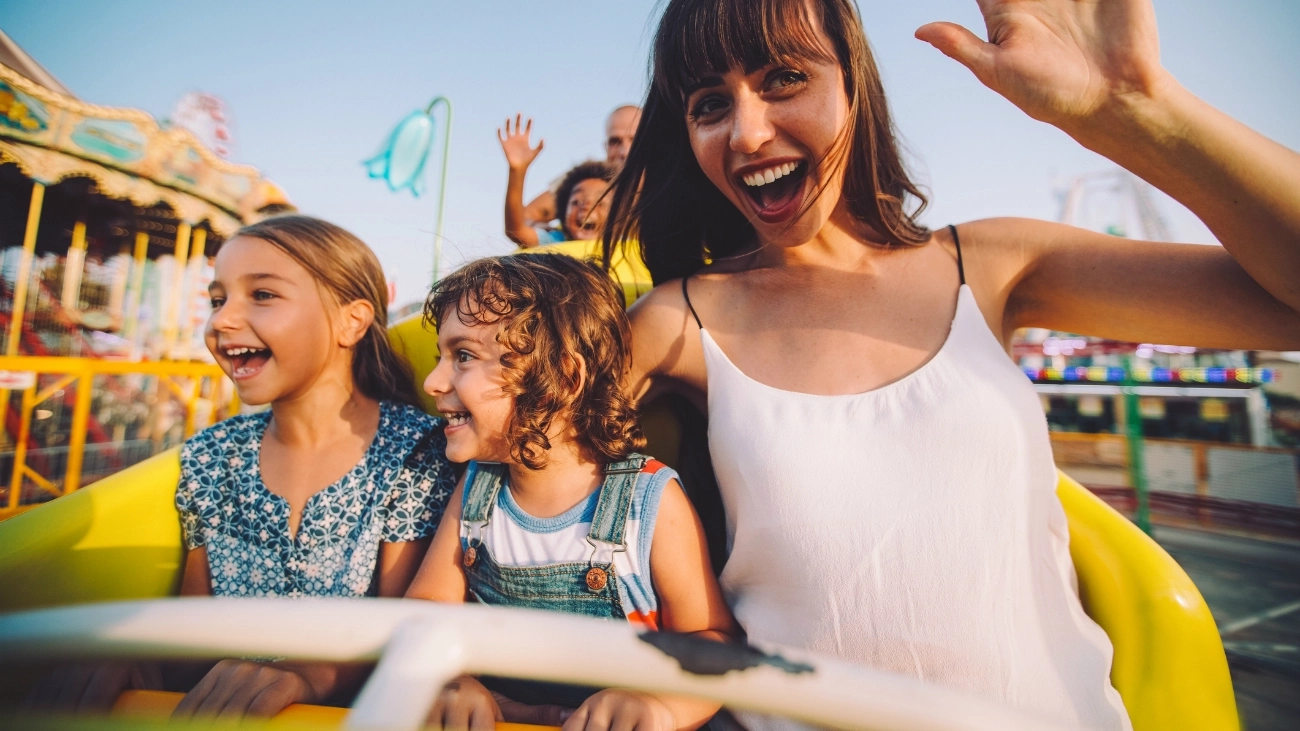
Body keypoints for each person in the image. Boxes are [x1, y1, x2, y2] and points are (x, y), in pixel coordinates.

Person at [602, 1, 1300, 730]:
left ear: (853, 85)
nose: (747, 132)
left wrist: (1135, 106)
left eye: (783, 78)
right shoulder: (678, 316)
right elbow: (507, 453)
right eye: (711, 105)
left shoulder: (989, 265)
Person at [26, 215, 458, 717]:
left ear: (351, 321)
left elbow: (408, 623)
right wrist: (133, 660)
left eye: (263, 295)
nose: (221, 321)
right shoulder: (212, 455)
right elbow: (195, 634)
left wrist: (306, 673)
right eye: (217, 300)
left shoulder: (417, 450)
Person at [407, 254, 734, 731]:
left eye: (463, 356)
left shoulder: (648, 500)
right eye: (441, 356)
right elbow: (428, 608)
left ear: (562, 378)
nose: (433, 382)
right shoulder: (477, 489)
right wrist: (449, 680)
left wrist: (661, 706)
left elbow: (714, 639)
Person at [502, 106, 641, 246]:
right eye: (615, 142)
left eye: (635, 139)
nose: (625, 151)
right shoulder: (587, 179)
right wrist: (517, 171)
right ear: (606, 146)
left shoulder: (662, 188)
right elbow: (522, 222)